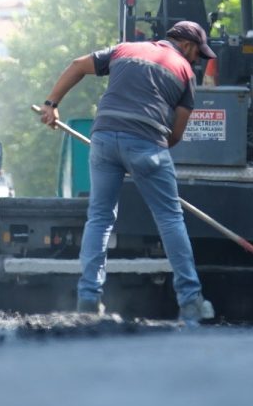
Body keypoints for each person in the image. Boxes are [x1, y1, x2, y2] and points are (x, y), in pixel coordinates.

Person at [38, 20, 217, 325]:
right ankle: (190, 301)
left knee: (100, 218)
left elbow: (77, 65)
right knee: (170, 218)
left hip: (104, 139)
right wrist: (147, 154)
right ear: (186, 46)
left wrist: (51, 104)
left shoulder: (125, 49)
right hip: (147, 145)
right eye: (198, 54)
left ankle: (89, 298)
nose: (197, 61)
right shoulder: (184, 72)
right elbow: (176, 133)